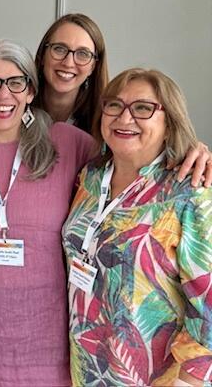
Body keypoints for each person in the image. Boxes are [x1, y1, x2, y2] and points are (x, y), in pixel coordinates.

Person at [0, 40, 95, 386]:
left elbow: (133, 166)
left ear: (30, 91)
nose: (3, 94)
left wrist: (193, 153)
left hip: (46, 335)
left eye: (16, 82)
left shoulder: (69, 143)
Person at [62, 69, 212, 386]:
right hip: (85, 368)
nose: (124, 117)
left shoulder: (190, 193)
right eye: (114, 105)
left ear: (169, 122)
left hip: (154, 377)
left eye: (143, 108)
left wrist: (186, 381)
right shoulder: (88, 177)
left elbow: (208, 309)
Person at [0, 13, 212, 186]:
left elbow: (151, 149)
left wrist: (192, 149)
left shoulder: (111, 120)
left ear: (93, 65)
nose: (68, 62)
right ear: (43, 54)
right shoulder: (13, 104)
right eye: (59, 49)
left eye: (82, 54)